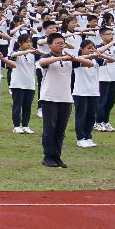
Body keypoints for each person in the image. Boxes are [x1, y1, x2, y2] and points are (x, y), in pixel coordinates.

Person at [37, 33, 81, 168]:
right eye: (57, 43)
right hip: (49, 98)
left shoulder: (68, 59)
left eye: (63, 43)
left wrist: (72, 58)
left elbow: (89, 63)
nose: (61, 45)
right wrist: (62, 57)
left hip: (66, 98)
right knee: (49, 128)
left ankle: (57, 156)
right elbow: (42, 63)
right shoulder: (46, 57)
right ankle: (48, 156)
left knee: (60, 130)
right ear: (49, 45)